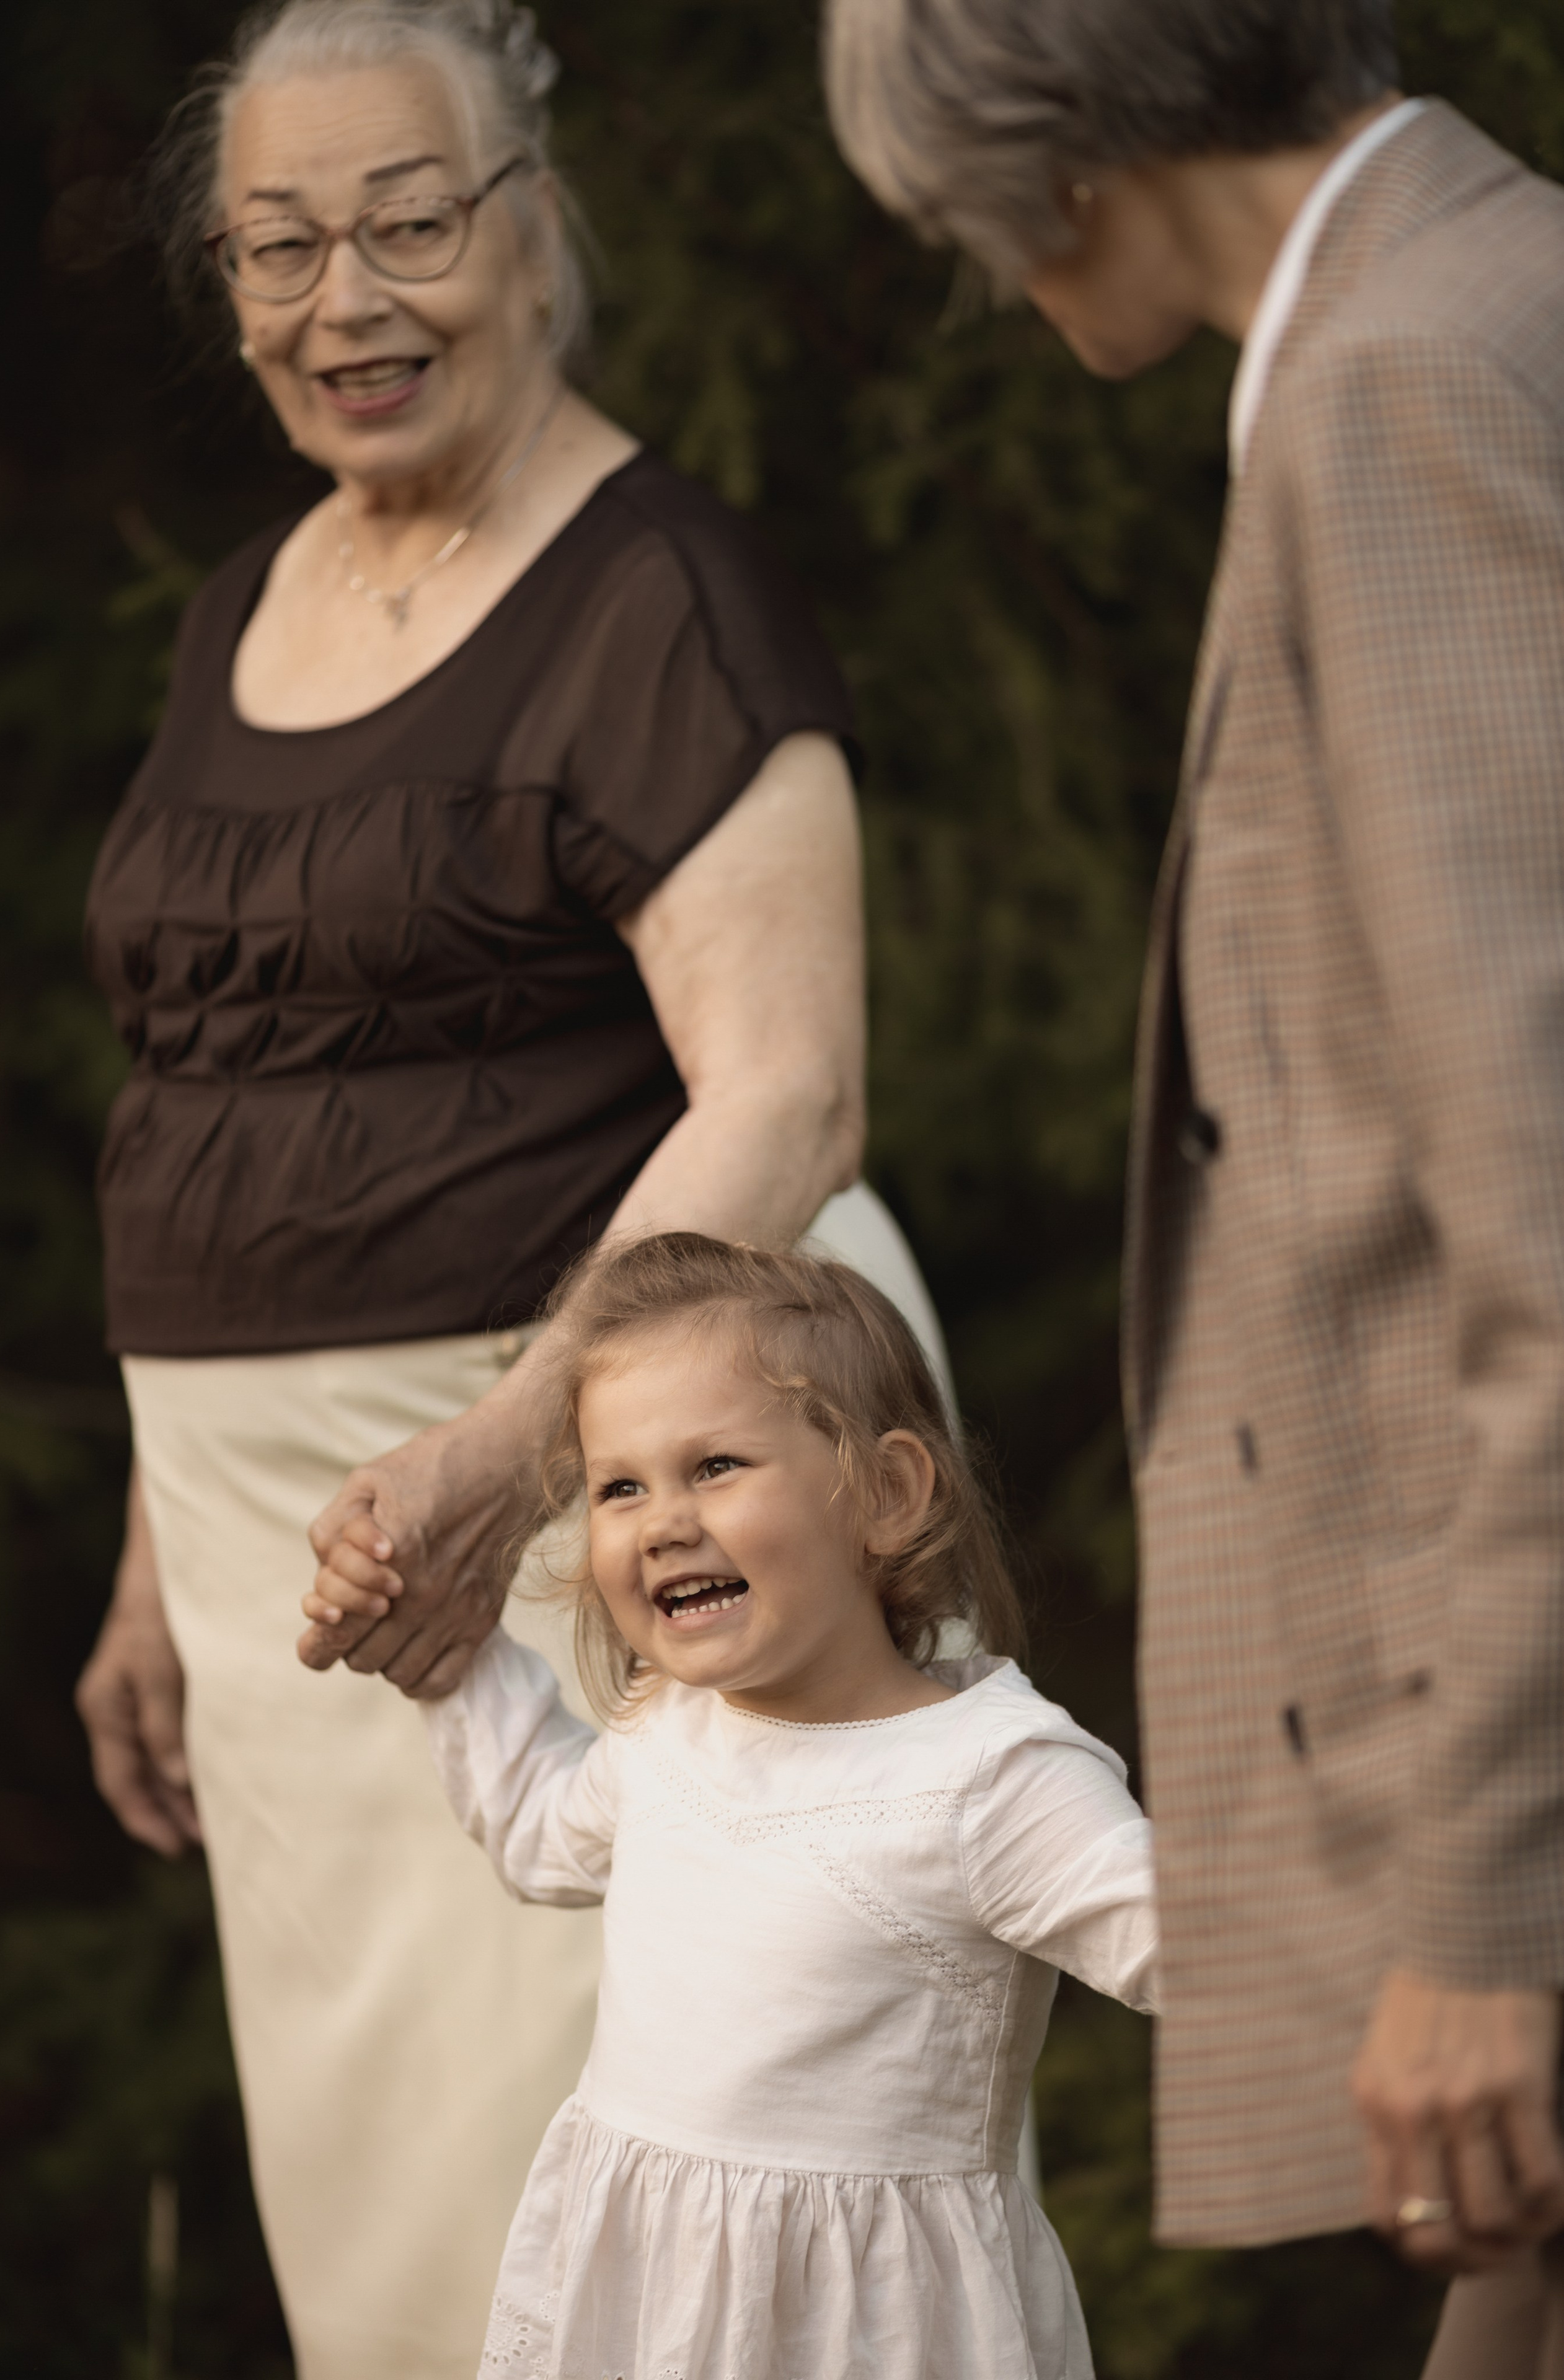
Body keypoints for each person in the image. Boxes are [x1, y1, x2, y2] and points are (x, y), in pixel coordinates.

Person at [73, 5, 952, 2375]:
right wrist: (165, 1548)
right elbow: (213, 1077)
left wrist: (505, 1459)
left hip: (580, 1537)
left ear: (534, 223)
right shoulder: (232, 613)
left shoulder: (660, 592)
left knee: (608, 2244)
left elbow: (787, 1103)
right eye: (277, 245)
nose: (342, 298)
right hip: (288, 1561)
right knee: (383, 2246)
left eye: (406, 221)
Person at [823, 0, 1564, 2369]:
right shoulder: (1504, 279)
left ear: (1046, 168)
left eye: (956, 228)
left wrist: (1483, 1909)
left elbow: (1546, 1221)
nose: (987, 278)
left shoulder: (1401, 391)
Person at [307, 1232, 1157, 2379]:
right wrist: (446, 1652)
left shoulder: (989, 1779)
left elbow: (1201, 1949)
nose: (662, 1519)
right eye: (620, 1486)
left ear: (888, 1494)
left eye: (715, 1467)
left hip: (870, 2334)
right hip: (648, 2312)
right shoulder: (669, 1728)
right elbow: (540, 1830)